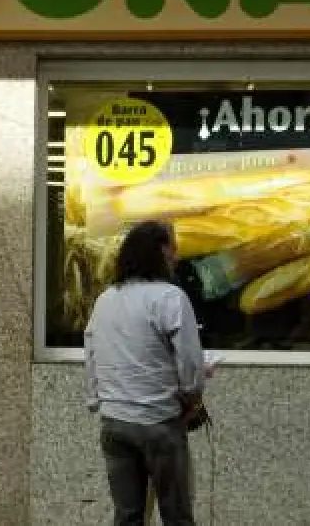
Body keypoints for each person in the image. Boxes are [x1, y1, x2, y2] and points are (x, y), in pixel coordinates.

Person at [83, 220, 212, 526]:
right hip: (159, 424)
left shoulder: (105, 300)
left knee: (127, 516)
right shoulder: (170, 297)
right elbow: (190, 361)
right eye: (173, 248)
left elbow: (92, 354)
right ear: (159, 251)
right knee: (176, 516)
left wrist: (95, 400)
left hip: (114, 424)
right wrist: (192, 394)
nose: (176, 257)